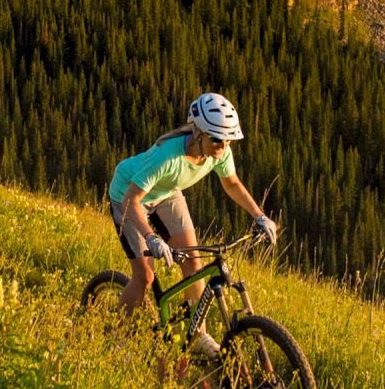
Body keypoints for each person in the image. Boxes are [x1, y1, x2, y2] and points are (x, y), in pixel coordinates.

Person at [107, 92, 279, 338]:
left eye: (229, 141)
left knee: (194, 265)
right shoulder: (167, 156)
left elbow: (231, 184)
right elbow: (131, 201)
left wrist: (259, 216)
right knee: (145, 276)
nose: (224, 147)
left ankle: (198, 337)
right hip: (128, 193)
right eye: (219, 140)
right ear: (198, 133)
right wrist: (151, 237)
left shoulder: (218, 151)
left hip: (167, 192)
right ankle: (116, 336)